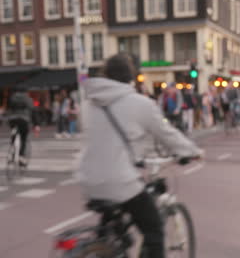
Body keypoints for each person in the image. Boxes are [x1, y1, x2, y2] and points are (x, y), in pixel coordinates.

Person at [79, 53, 203, 258]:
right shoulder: (140, 103)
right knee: (153, 229)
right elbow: (166, 134)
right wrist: (192, 151)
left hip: (89, 180)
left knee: (112, 234)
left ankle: (104, 248)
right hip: (119, 181)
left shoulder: (89, 104)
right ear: (131, 76)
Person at [5, 86, 35, 166]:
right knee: (23, 138)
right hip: (23, 119)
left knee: (14, 134)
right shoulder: (27, 98)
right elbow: (32, 109)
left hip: (12, 119)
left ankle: (11, 152)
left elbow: (8, 108)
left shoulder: (12, 97)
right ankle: (21, 157)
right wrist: (36, 123)